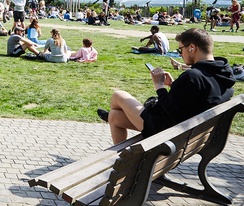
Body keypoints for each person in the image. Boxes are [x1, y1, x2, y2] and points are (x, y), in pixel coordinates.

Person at [99, 28, 235, 144]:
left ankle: (133, 166)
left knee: (118, 95)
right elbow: (194, 99)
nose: (180, 54)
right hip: (188, 136)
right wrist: (174, 85)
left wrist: (159, 86)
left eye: (180, 49)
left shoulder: (193, 76)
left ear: (192, 48)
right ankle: (126, 165)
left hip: (166, 132)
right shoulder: (223, 76)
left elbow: (171, 111)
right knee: (114, 116)